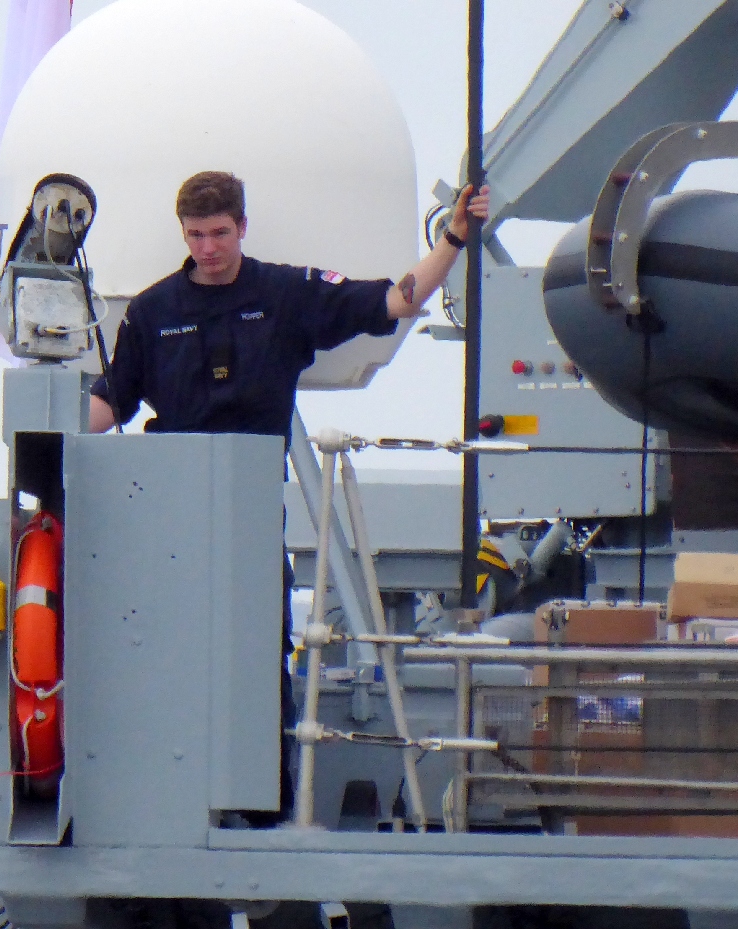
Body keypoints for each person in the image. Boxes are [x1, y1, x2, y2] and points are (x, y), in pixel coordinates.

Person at [88, 170, 490, 823]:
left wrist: (454, 238)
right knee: (160, 650)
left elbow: (396, 300)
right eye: (196, 235)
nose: (208, 248)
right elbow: (111, 402)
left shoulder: (286, 294)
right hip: (167, 510)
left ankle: (261, 804)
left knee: (257, 652)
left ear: (242, 227)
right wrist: (41, 429)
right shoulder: (152, 311)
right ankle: (162, 800)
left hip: (250, 513)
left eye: (220, 233)